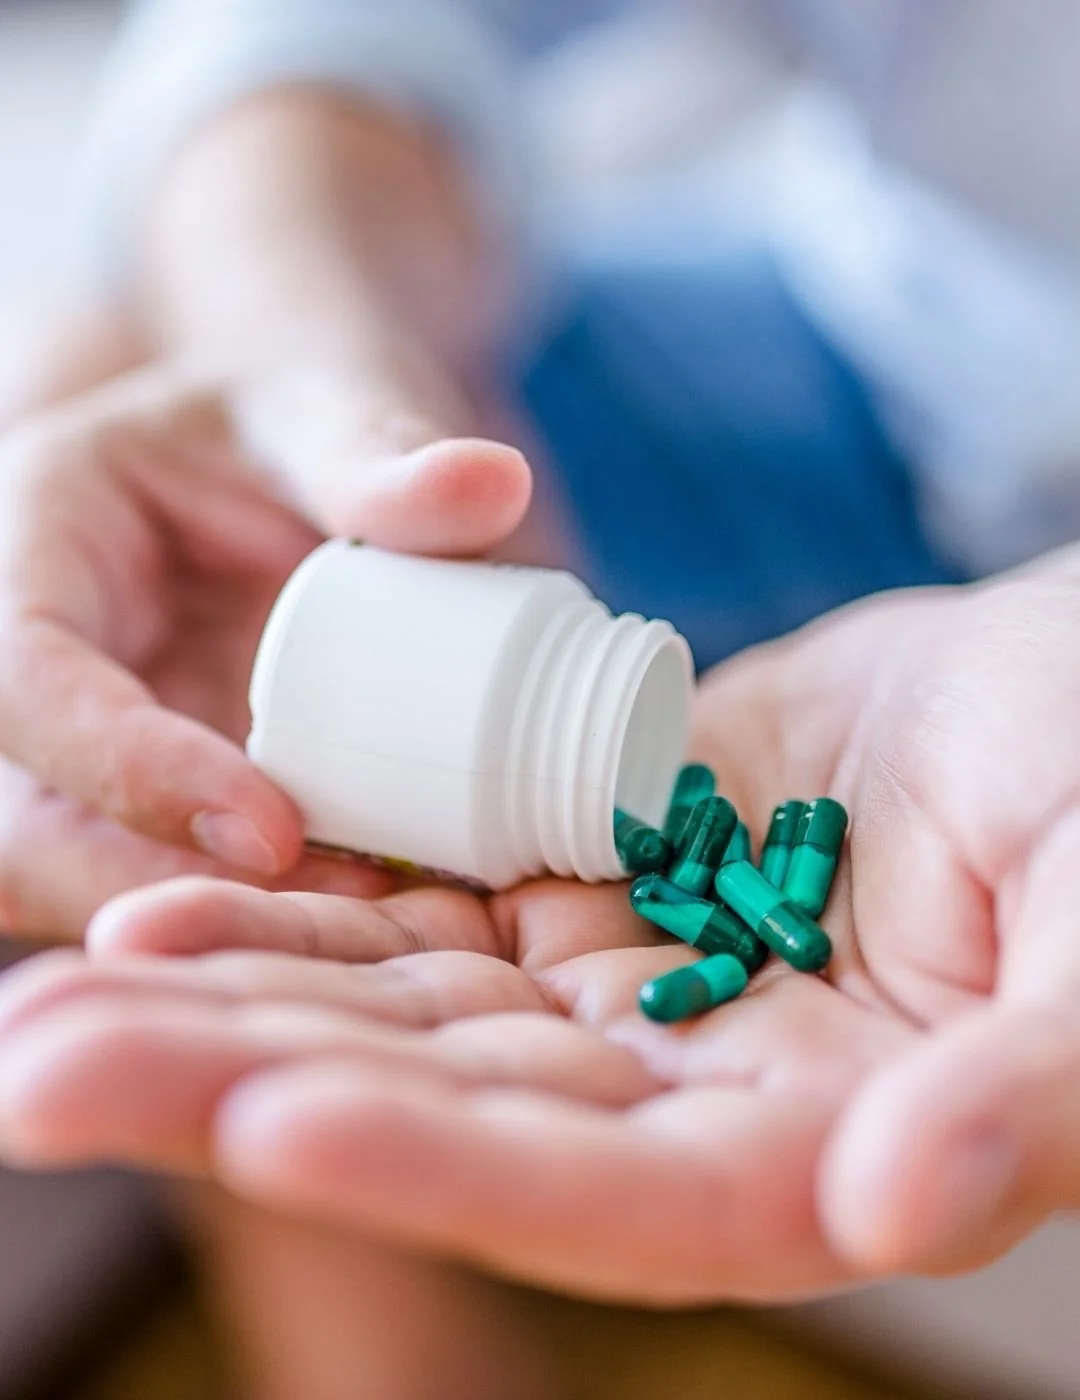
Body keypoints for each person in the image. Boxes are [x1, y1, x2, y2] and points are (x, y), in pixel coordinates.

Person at [3, 0, 1080, 1393]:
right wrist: (315, 362)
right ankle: (310, 1218)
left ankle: (289, 1121)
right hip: (923, 359)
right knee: (121, 395)